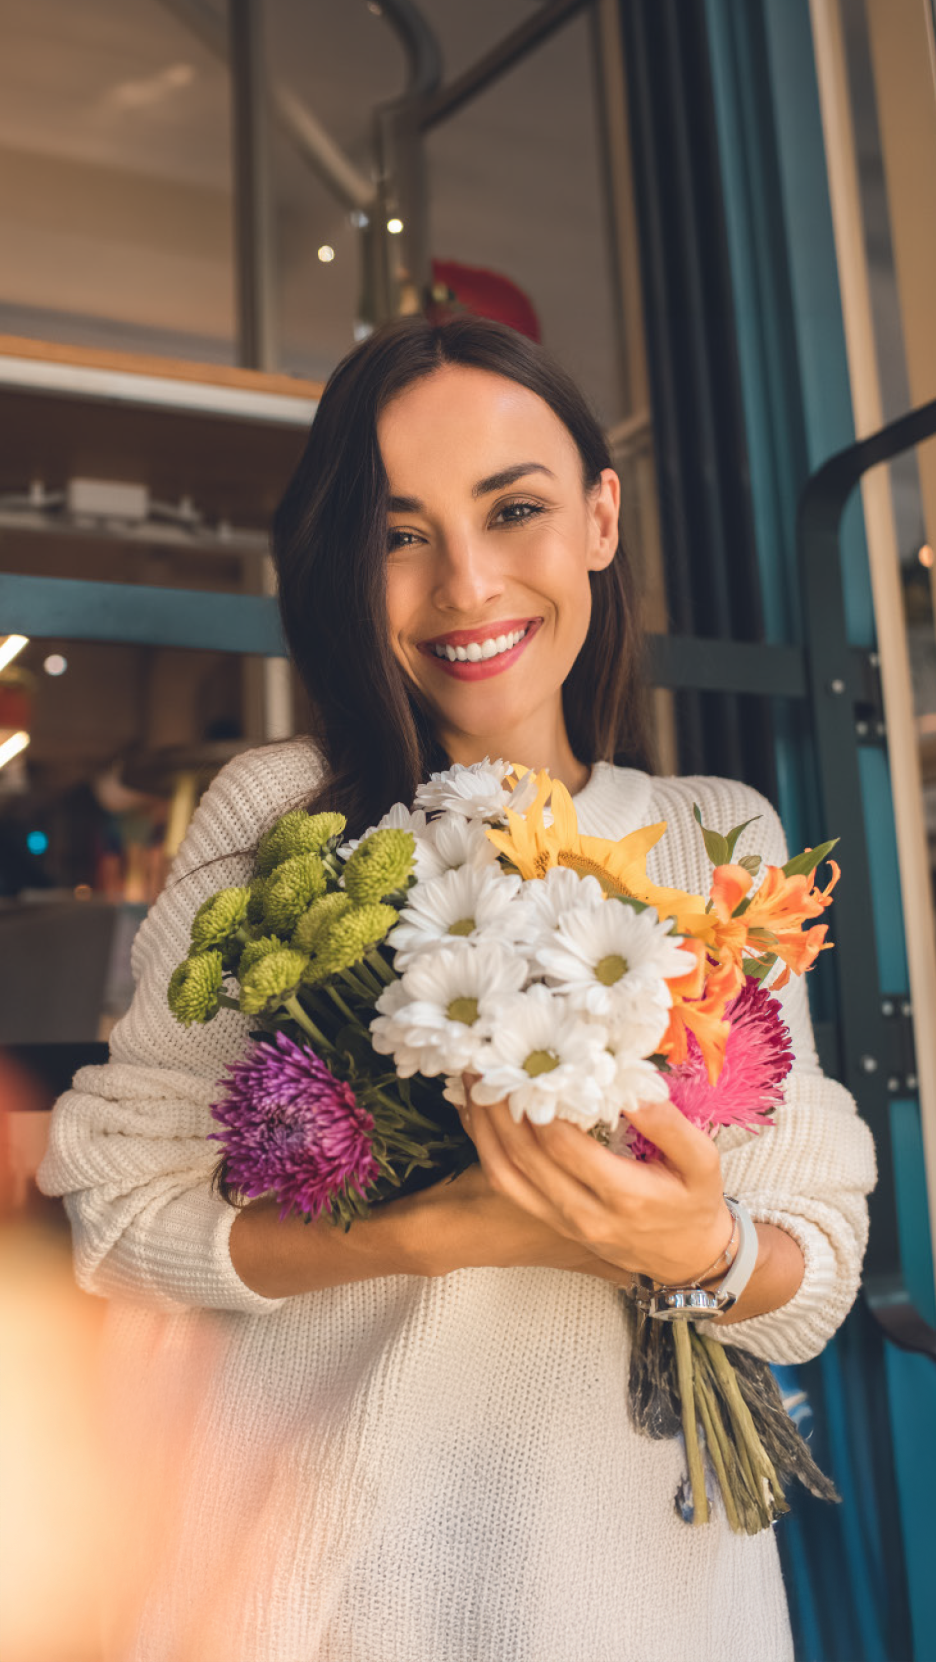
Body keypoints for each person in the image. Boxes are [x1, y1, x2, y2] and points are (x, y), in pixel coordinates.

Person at [39, 315, 876, 1662]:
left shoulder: (716, 838)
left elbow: (816, 1264)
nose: (467, 584)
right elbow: (122, 1211)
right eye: (400, 533)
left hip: (642, 1595)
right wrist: (429, 1235)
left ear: (601, 517)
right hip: (323, 1586)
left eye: (515, 509)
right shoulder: (282, 815)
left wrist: (702, 1251)